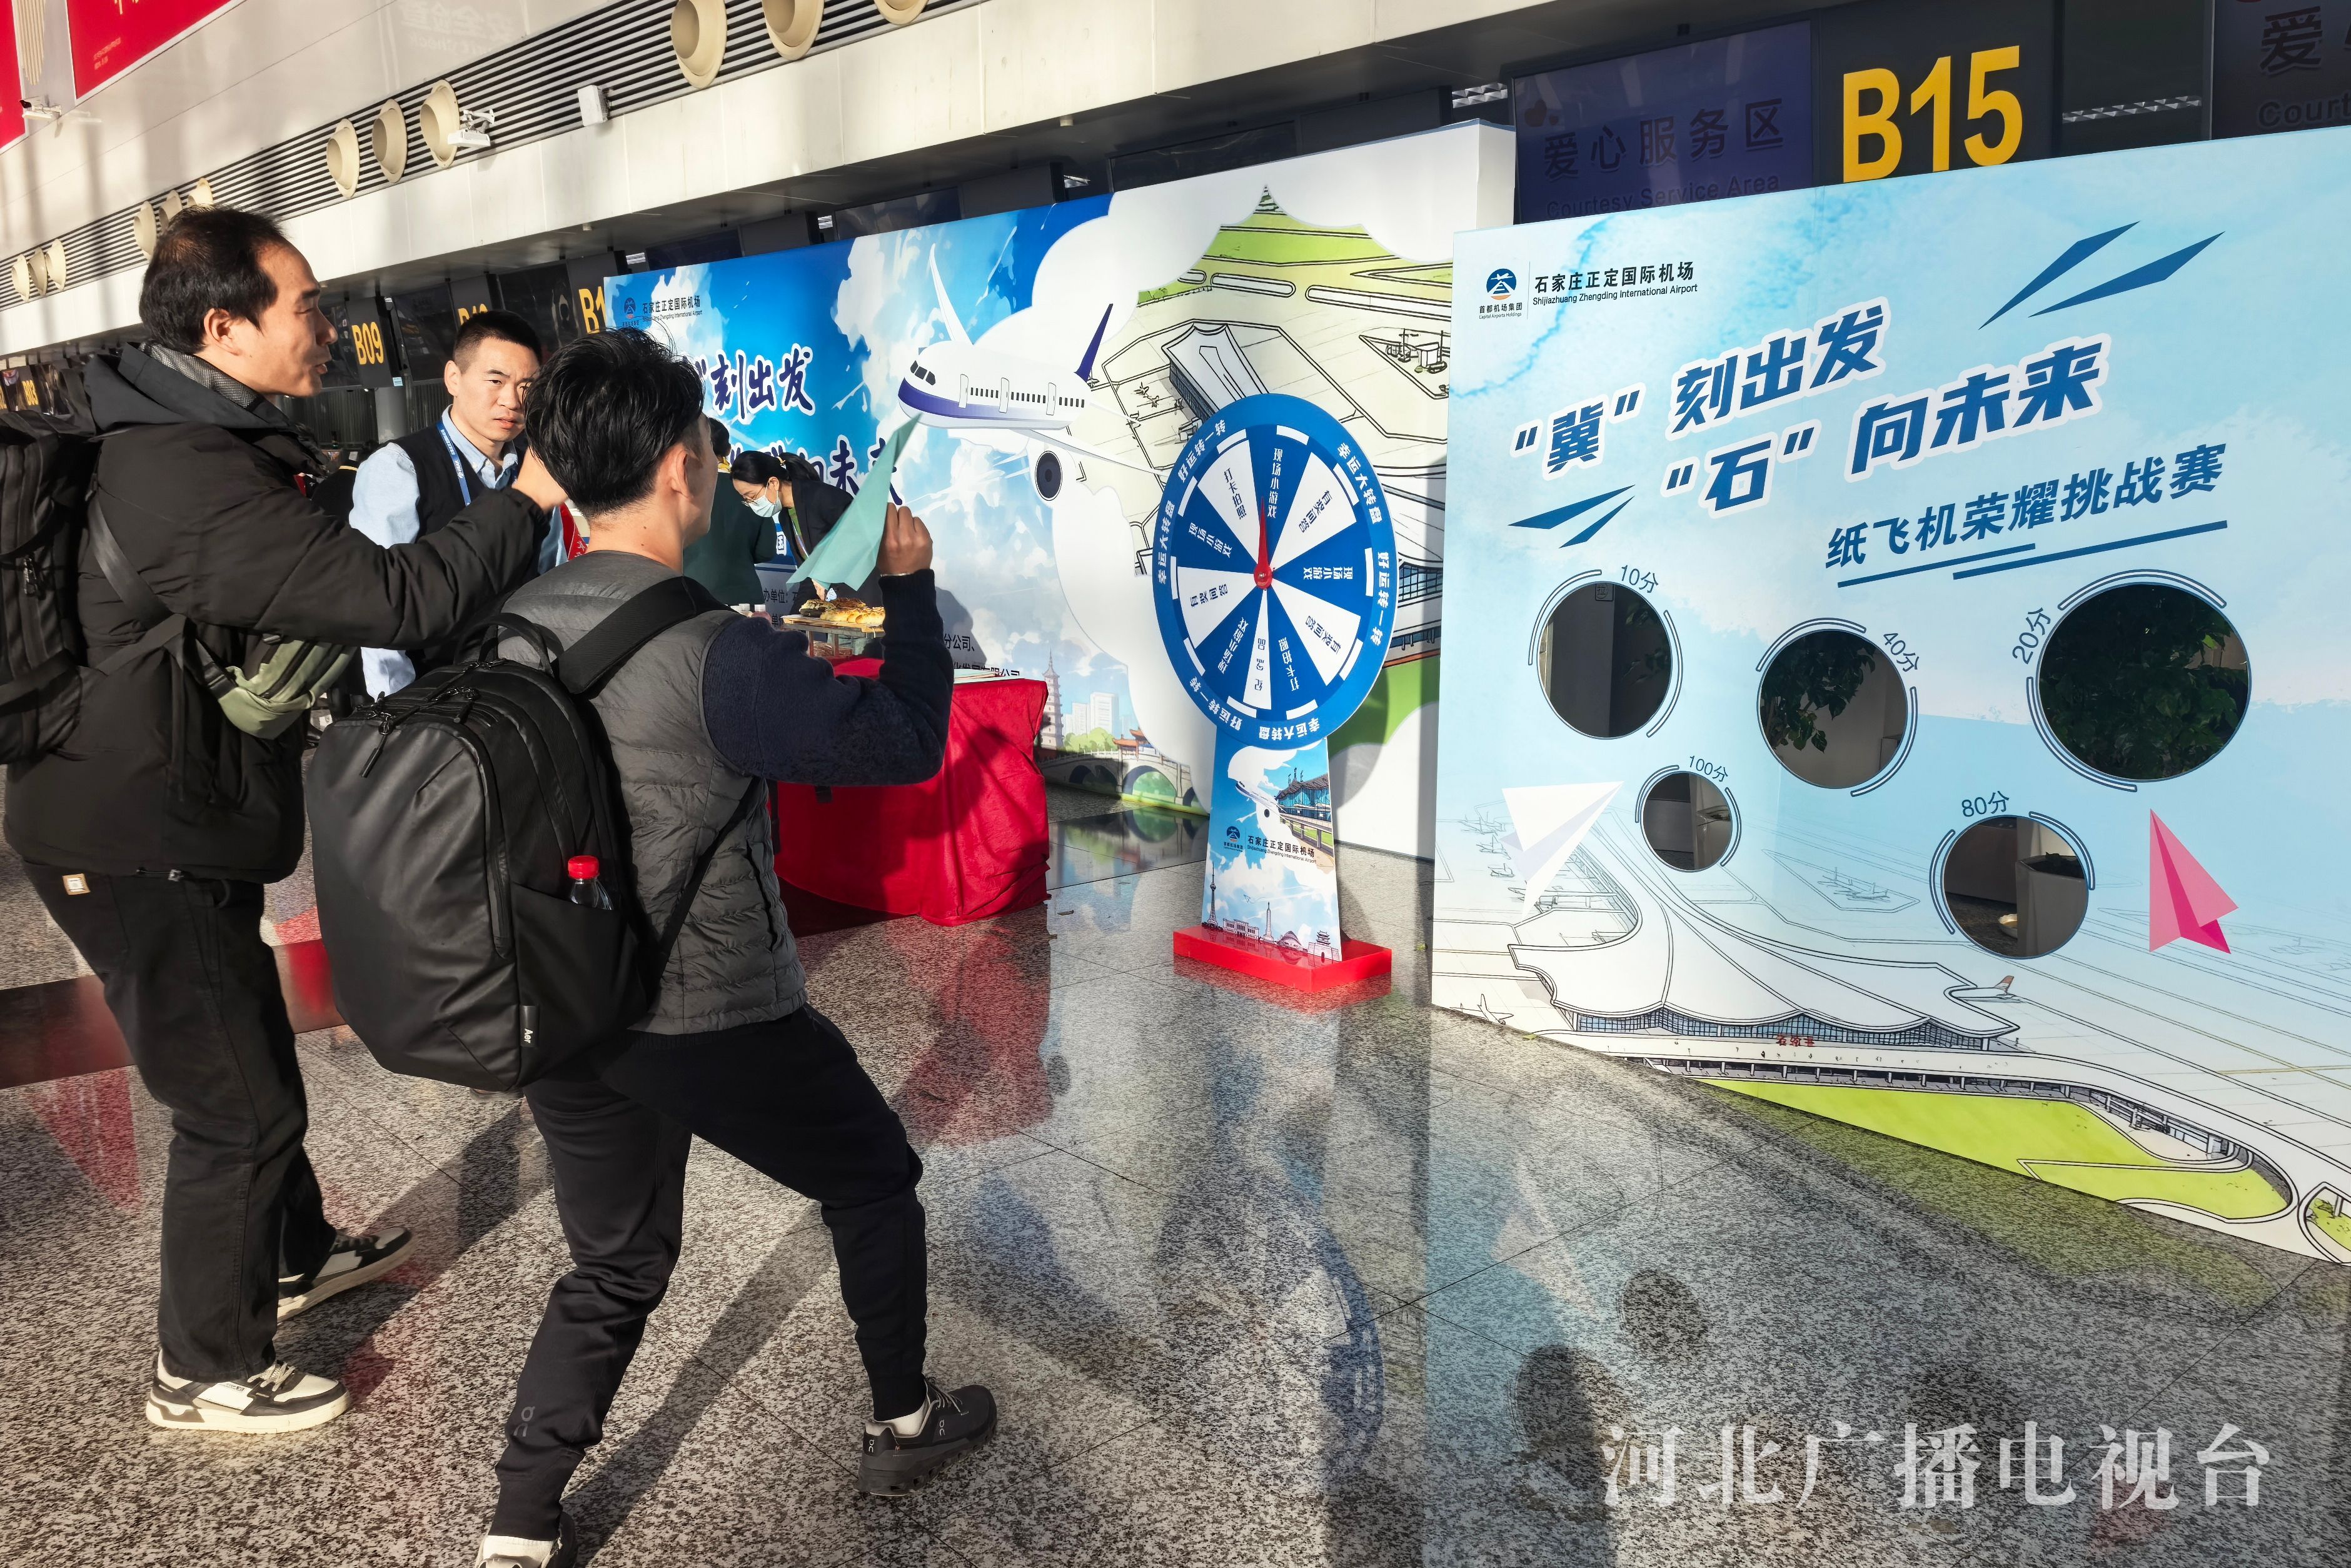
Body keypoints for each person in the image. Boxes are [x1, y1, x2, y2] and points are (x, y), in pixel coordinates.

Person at [4, 208, 558, 1432]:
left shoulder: (187, 434)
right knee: (237, 1104)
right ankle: (201, 1369)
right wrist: (526, 497)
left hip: (158, 810)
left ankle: (295, 1254)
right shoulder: (183, 475)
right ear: (224, 327)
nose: (328, 325)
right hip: (133, 835)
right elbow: (398, 597)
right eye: (306, 305)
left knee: (244, 1045)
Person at [473, 329, 992, 1568]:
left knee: (613, 1262)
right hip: (706, 1011)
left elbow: (772, 665)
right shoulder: (713, 649)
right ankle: (903, 1420)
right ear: (679, 470)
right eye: (702, 450)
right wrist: (910, 588)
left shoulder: (512, 624)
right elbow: (899, 737)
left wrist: (831, 583)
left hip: (561, 1000)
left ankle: (518, 1524)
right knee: (871, 1176)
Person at [346, 308, 555, 695]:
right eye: (495, 380)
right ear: (453, 379)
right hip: (433, 692)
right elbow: (378, 604)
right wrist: (396, 706)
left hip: (520, 684)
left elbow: (548, 574)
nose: (512, 400)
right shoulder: (400, 467)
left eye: (527, 386)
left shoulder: (537, 464)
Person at [678, 418, 773, 606]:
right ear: (729, 450)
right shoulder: (753, 489)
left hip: (694, 597)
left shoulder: (682, 490)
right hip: (746, 599)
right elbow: (766, 551)